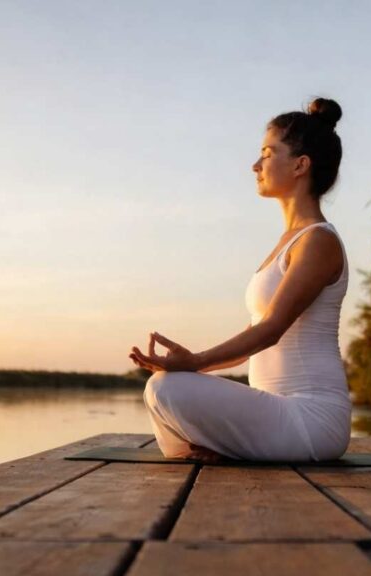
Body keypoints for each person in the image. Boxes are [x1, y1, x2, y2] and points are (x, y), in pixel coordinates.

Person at [128, 97, 349, 463]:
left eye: (267, 153)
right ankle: (226, 450)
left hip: (310, 419)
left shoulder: (318, 241)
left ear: (300, 165)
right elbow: (253, 341)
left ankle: (228, 450)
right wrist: (190, 364)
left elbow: (272, 329)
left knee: (168, 390)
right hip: (278, 413)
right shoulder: (289, 242)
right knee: (162, 388)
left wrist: (195, 362)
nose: (255, 165)